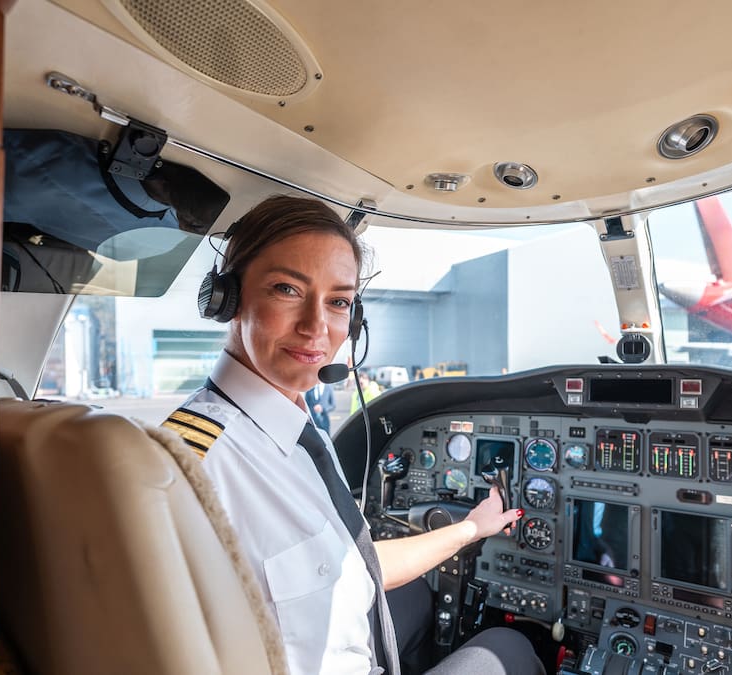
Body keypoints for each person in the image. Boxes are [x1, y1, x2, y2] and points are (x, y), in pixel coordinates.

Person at [163, 195, 544, 675]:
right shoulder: (189, 467)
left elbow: (347, 564)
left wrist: (471, 528)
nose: (316, 327)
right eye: (287, 289)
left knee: (417, 599)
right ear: (227, 299)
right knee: (508, 646)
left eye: (339, 301)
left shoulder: (301, 435)